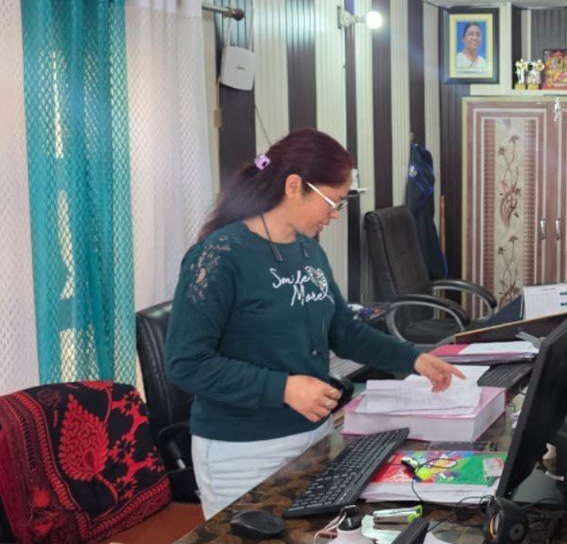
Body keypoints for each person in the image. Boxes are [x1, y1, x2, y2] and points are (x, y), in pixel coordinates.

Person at [165, 129, 464, 518]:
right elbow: (186, 363)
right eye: (332, 201)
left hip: (313, 439)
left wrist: (414, 359)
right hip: (242, 452)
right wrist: (283, 388)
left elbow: (344, 331)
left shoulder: (308, 250)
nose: (335, 214)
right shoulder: (219, 256)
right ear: (293, 187)